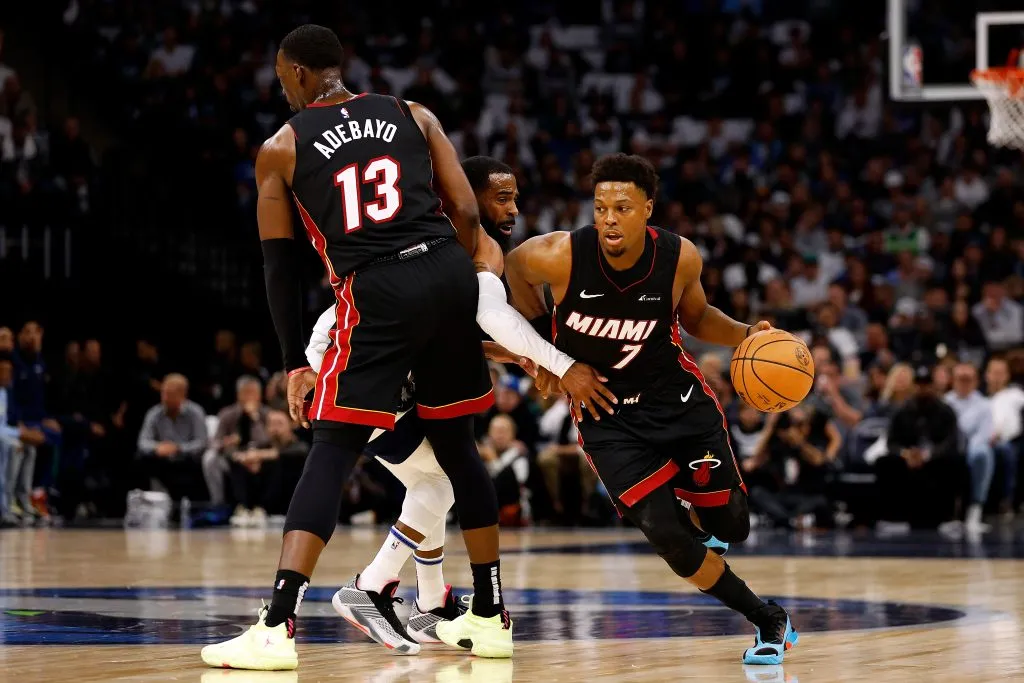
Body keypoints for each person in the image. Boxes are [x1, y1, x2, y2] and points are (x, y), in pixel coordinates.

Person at [201, 28, 606, 670]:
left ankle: (275, 627)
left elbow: (279, 266)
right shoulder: (412, 113)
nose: (283, 89)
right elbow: (465, 209)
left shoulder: (281, 147)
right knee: (456, 450)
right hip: (445, 270)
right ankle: (489, 614)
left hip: (376, 288)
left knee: (332, 448)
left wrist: (293, 363)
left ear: (299, 74)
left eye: (282, 79)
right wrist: (447, 274)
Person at [305, 155, 614, 651]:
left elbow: (448, 324)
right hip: (355, 360)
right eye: (502, 197)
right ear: (467, 197)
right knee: (445, 481)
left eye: (516, 197)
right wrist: (561, 364)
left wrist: (511, 355)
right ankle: (370, 586)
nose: (514, 209)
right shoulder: (473, 242)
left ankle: (430, 604)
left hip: (352, 351)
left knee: (432, 484)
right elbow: (491, 315)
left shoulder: (430, 226)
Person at [504, 153, 798, 665]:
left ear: (647, 209)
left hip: (678, 403)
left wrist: (747, 333)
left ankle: (700, 516)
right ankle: (767, 617)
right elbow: (512, 267)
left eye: (622, 208)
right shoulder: (560, 256)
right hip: (606, 414)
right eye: (600, 208)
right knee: (669, 539)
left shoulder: (679, 258)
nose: (609, 219)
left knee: (732, 526)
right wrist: (547, 352)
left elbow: (697, 317)